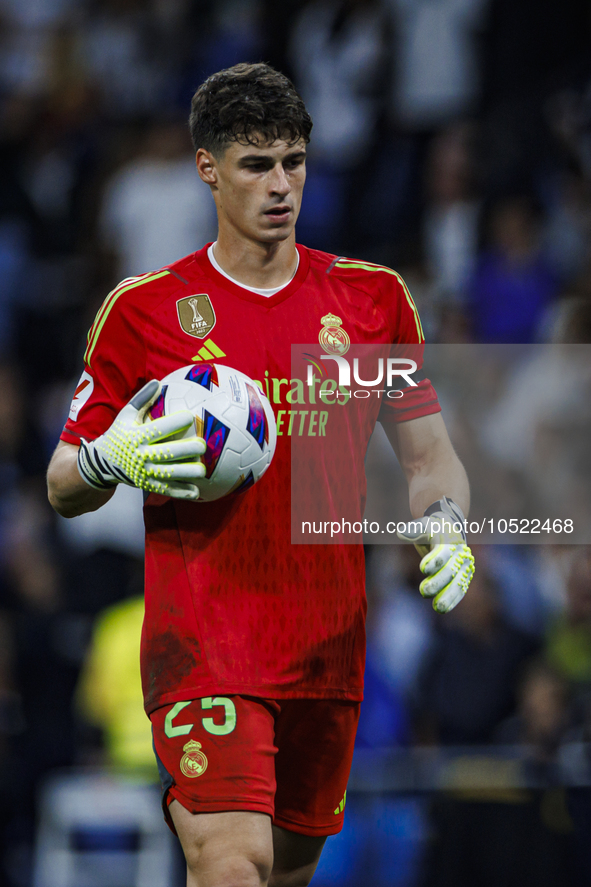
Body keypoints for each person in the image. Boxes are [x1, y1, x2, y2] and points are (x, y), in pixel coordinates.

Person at [47, 63, 474, 887]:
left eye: (294, 161)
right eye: (255, 164)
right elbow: (64, 481)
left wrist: (447, 519)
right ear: (207, 168)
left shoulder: (371, 300)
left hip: (325, 648)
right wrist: (109, 457)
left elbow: (428, 456)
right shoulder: (146, 311)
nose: (281, 185)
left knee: (281, 872)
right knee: (230, 861)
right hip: (204, 646)